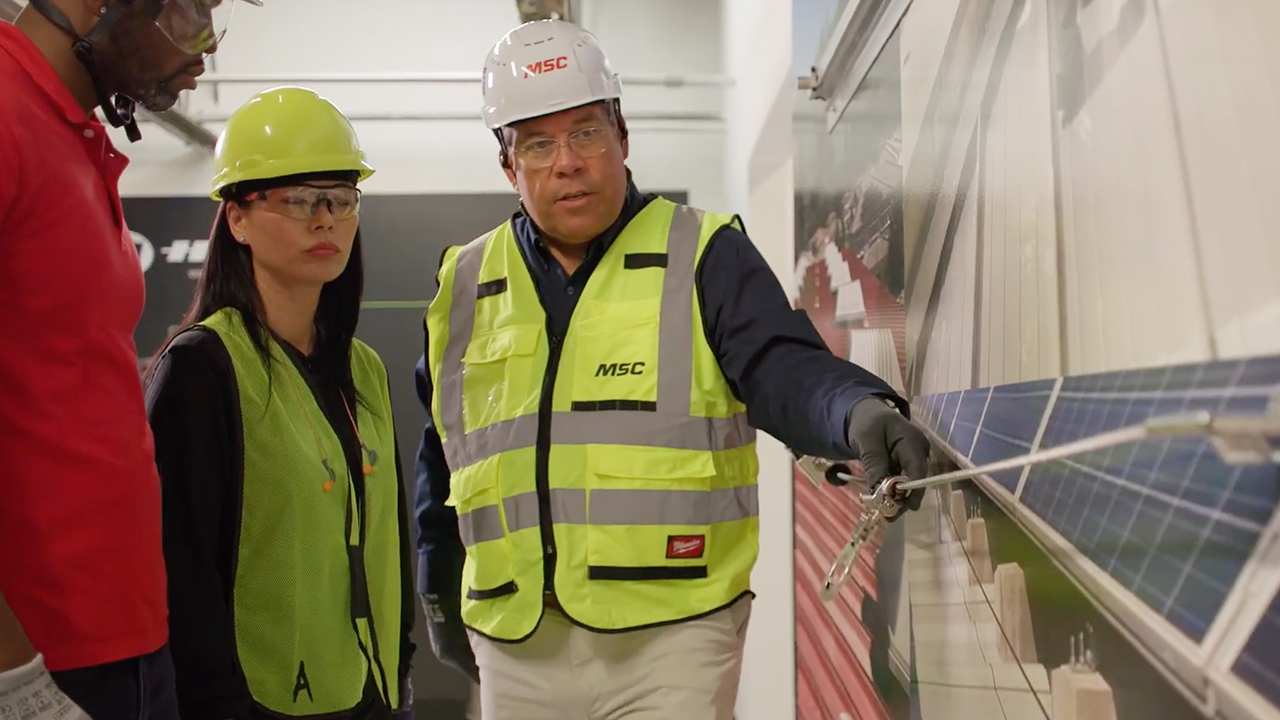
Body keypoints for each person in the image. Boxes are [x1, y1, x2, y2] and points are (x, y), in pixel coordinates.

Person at [412, 18, 932, 720]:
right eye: (538, 143)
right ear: (509, 165)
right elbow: (448, 448)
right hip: (516, 640)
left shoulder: (704, 253)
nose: (567, 161)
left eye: (587, 132)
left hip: (674, 636)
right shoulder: (463, 282)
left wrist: (856, 411)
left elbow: (780, 368)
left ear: (623, 137)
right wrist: (436, 578)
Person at [0, 1, 258, 718]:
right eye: (186, 9)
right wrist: (12, 675)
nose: (204, 45)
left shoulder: (65, 131)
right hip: (51, 656)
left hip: (126, 643)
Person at [140, 86, 416, 720]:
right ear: (237, 217)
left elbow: (387, 535)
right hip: (254, 704)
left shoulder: (363, 367)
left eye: (341, 200)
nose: (324, 220)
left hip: (366, 694)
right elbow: (178, 574)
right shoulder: (203, 367)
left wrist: (396, 672)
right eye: (297, 199)